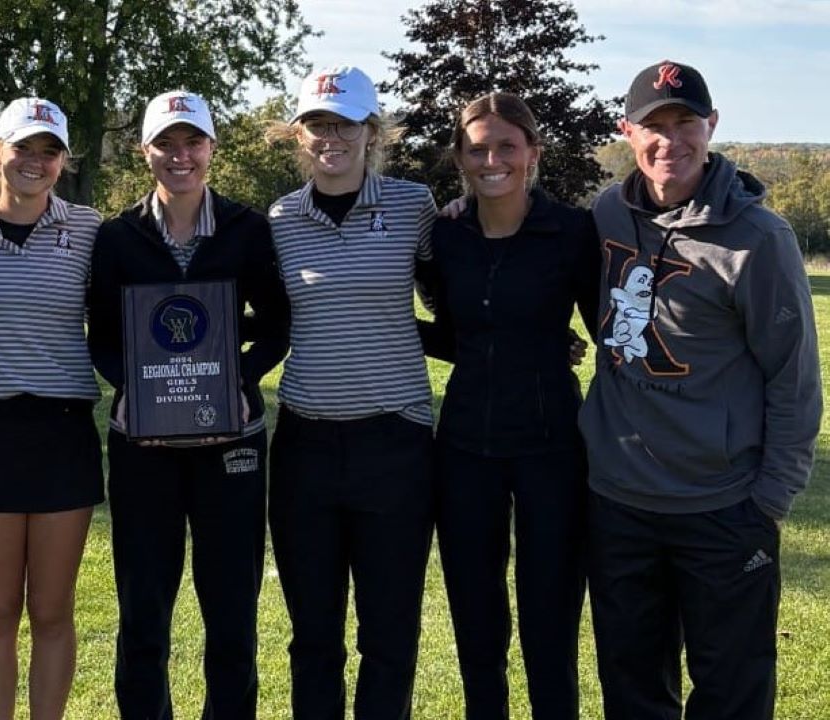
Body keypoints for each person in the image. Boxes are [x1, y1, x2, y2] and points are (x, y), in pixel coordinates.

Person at [581, 60, 821, 720]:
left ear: (711, 125)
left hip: (722, 508)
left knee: (731, 694)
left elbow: (794, 380)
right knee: (632, 691)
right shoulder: (607, 212)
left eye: (686, 122)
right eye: (654, 126)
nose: (671, 141)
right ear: (627, 132)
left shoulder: (757, 240)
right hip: (618, 502)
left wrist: (767, 500)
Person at [87, 91, 290, 719]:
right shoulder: (118, 236)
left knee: (231, 613)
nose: (181, 156)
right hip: (144, 448)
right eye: (166, 143)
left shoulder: (246, 229)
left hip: (230, 445)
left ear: (211, 149)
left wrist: (240, 379)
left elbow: (278, 322)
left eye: (192, 142)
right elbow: (102, 336)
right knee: (143, 612)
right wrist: (130, 393)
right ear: (144, 150)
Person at [419, 92, 598, 720]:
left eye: (506, 146)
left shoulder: (572, 232)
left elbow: (610, 330)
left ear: (532, 153)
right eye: (477, 148)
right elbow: (456, 333)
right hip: (465, 448)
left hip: (552, 447)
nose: (491, 158)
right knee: (477, 619)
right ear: (461, 158)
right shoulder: (445, 234)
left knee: (550, 620)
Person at [265, 65, 436, 719]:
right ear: (299, 136)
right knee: (313, 639)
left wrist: (538, 340)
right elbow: (263, 322)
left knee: (389, 635)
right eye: (316, 125)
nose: (329, 137)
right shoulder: (280, 219)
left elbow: (455, 307)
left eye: (344, 123)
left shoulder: (412, 206)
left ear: (371, 131)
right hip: (305, 445)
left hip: (395, 443)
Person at [0, 97, 102, 720]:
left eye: (49, 151)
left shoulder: (88, 229)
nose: (35, 161)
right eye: (23, 148)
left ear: (63, 160)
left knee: (54, 610)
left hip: (63, 435)